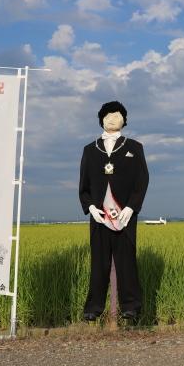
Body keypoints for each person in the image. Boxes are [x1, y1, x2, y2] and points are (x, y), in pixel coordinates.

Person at [79, 101, 149, 321]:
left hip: (124, 215)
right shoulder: (90, 150)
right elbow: (84, 185)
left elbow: (142, 180)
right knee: (98, 262)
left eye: (117, 115)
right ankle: (93, 307)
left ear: (124, 120)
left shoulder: (134, 147)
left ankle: (131, 306)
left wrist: (131, 207)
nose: (112, 119)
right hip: (99, 216)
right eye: (107, 115)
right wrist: (91, 207)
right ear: (101, 120)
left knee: (126, 260)